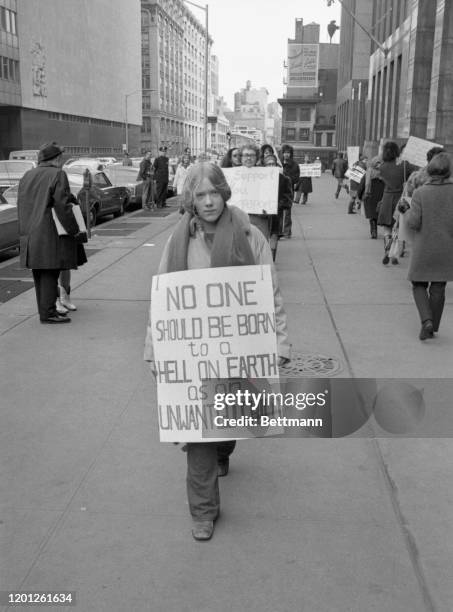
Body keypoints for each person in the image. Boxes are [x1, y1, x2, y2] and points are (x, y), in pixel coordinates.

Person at [144, 163, 291, 541]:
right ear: (190, 200)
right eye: (200, 195)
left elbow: (269, 294)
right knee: (199, 435)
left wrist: (279, 345)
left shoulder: (250, 234)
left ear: (225, 192)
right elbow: (163, 299)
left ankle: (225, 447)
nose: (208, 202)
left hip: (239, 348)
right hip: (193, 353)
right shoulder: (178, 241)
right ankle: (204, 510)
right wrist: (154, 349)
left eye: (214, 193)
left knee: (230, 411)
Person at [17, 142, 82, 324]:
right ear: (56, 159)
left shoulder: (27, 175)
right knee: (50, 272)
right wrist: (74, 230)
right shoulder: (57, 174)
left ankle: (47, 310)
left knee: (40, 274)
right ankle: (48, 314)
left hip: (30, 233)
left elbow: (22, 205)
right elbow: (62, 206)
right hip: (50, 233)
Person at [403, 153, 453, 341]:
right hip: (447, 247)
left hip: (425, 247)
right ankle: (434, 325)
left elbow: (414, 223)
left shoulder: (420, 193)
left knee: (418, 284)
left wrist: (406, 211)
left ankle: (427, 321)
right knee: (439, 286)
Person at [377, 141, 416, 265]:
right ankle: (395, 256)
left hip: (387, 198)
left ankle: (387, 249)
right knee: (399, 228)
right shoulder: (404, 165)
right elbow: (415, 176)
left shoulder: (382, 167)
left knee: (387, 228)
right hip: (401, 198)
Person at [262, 153, 293, 260]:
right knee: (262, 236)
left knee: (274, 235)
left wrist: (278, 205)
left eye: (273, 164)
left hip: (276, 214)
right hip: (261, 214)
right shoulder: (258, 179)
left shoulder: (284, 179)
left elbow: (288, 199)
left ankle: (272, 259)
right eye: (268, 164)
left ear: (276, 165)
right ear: (264, 166)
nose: (270, 166)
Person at [357, 157, 384, 239]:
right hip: (381, 196)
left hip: (369, 195)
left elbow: (362, 185)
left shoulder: (368, 172)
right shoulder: (384, 173)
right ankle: (379, 231)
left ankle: (373, 231)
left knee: (372, 215)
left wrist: (360, 195)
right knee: (376, 213)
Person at [279, 144, 299, 238]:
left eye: (288, 153)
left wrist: (287, 178)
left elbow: (296, 178)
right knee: (278, 212)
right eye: (285, 153)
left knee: (287, 212)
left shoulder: (294, 165)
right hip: (279, 190)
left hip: (288, 190)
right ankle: (279, 231)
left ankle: (287, 232)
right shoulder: (278, 164)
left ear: (291, 154)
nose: (286, 154)